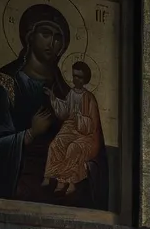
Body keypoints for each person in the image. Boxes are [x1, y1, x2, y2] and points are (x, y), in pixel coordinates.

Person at [0, 4, 108, 208]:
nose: (52, 43)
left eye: (58, 38)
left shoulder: (72, 92)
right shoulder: (6, 83)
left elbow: (96, 150)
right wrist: (29, 133)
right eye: (45, 34)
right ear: (30, 36)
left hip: (68, 185)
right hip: (22, 183)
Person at [42, 61, 104, 195]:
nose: (76, 79)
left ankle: (68, 183)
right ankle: (50, 177)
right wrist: (53, 97)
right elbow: (65, 111)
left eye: (80, 77)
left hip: (86, 136)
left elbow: (92, 125)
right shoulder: (71, 93)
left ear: (85, 79)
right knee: (55, 144)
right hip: (70, 129)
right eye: (74, 76)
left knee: (73, 148)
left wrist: (79, 118)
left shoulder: (90, 98)